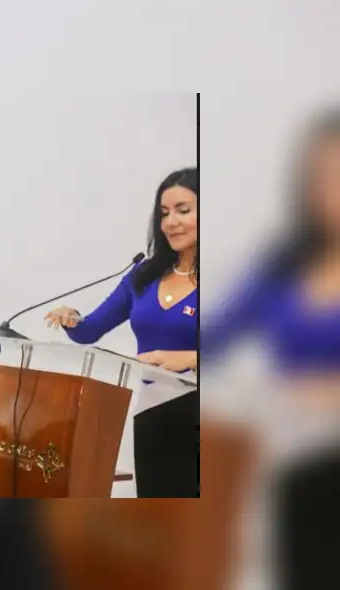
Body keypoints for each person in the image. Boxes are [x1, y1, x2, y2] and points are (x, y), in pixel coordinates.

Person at [199, 108, 340, 589]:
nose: (332, 191)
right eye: (323, 175)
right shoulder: (284, 261)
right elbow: (215, 335)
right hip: (285, 454)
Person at [45, 167, 199, 498]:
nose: (170, 222)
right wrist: (72, 319)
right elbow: (91, 330)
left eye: (183, 210)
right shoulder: (143, 275)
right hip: (153, 414)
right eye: (164, 213)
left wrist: (189, 358)